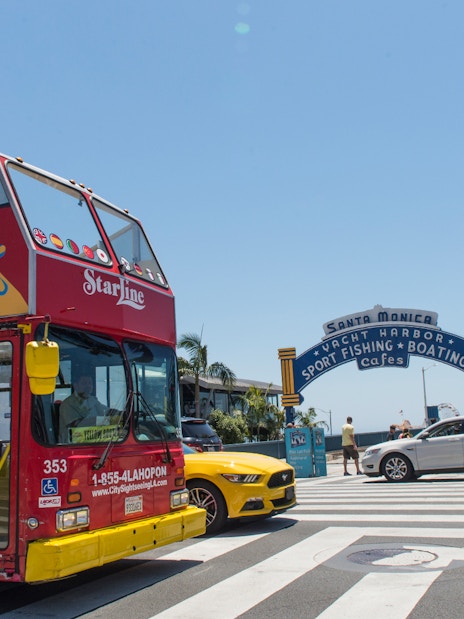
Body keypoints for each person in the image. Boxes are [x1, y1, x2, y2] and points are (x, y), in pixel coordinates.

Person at [59, 374, 108, 442]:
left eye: (90, 383)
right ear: (76, 386)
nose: (88, 386)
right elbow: (75, 424)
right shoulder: (67, 403)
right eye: (84, 383)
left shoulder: (92, 400)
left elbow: (106, 411)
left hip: (94, 441)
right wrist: (98, 420)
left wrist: (120, 414)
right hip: (72, 445)